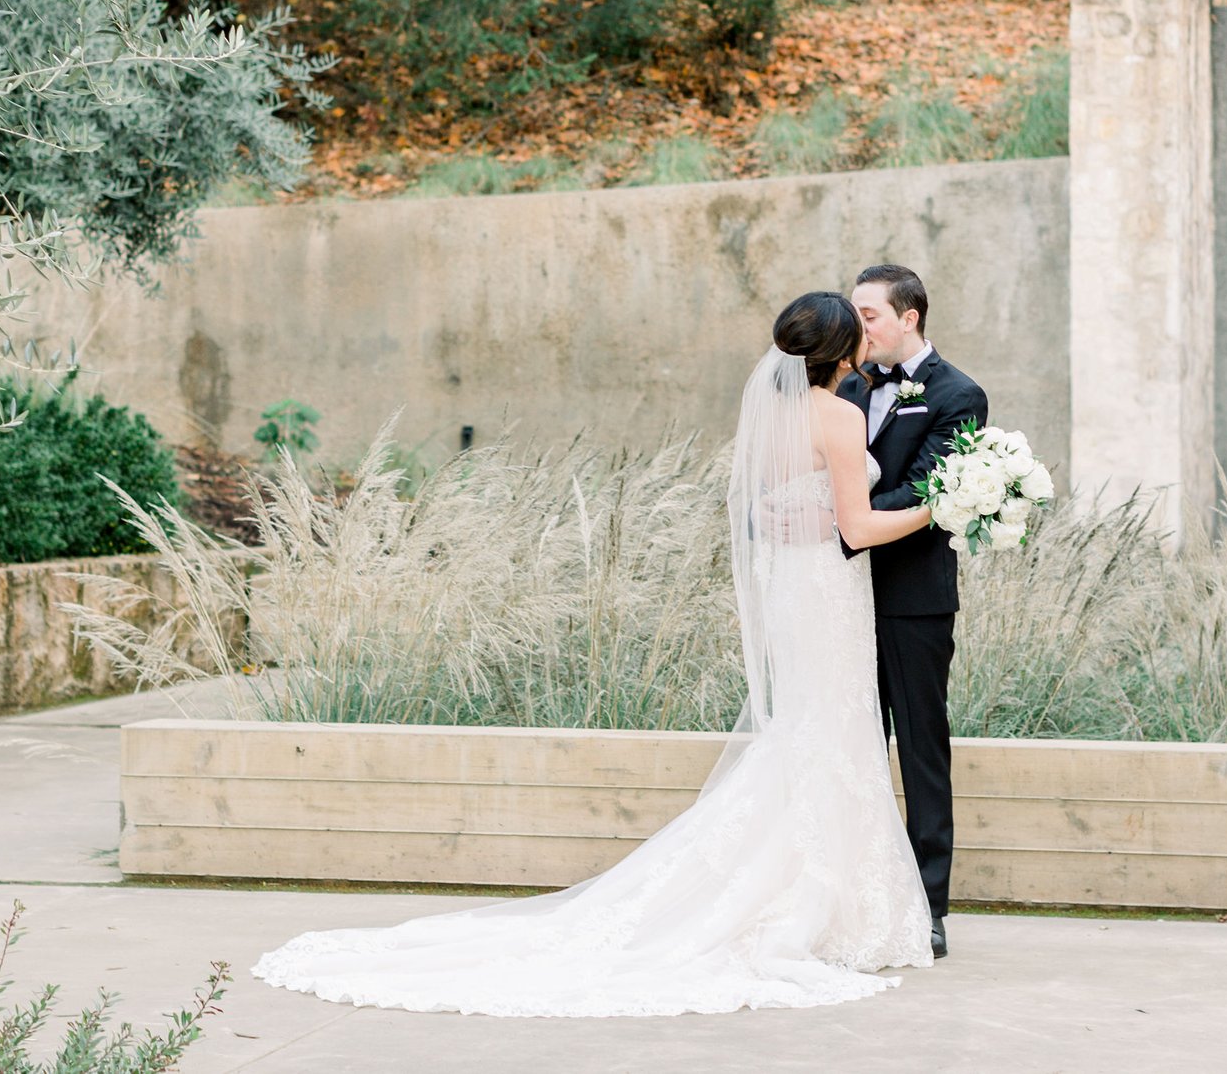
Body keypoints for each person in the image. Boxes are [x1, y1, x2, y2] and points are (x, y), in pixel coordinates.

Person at [252, 291, 936, 1016]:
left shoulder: (773, 414)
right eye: (856, 325)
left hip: (799, 591)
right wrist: (936, 504)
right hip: (828, 591)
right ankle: (825, 907)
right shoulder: (838, 413)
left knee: (811, 731)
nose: (868, 334)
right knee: (830, 731)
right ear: (838, 350)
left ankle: (820, 897)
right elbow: (857, 528)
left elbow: (773, 507)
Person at [837, 263, 987, 960]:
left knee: (922, 750)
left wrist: (852, 521)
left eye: (868, 313)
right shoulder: (844, 386)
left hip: (914, 601)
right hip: (836, 597)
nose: (857, 324)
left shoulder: (959, 395)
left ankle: (928, 905)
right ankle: (854, 895)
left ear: (909, 316)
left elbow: (929, 485)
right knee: (850, 747)